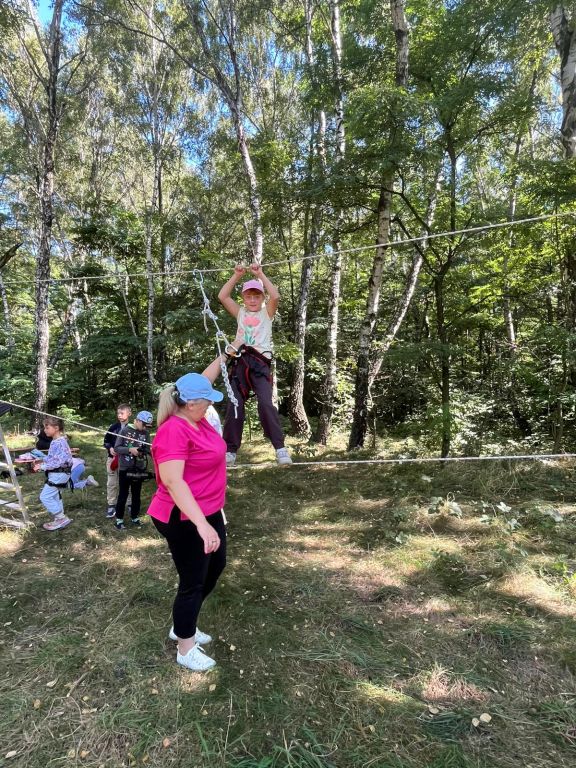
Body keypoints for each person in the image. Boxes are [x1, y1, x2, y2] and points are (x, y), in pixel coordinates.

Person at [147, 357, 227, 672]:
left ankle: (185, 624)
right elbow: (173, 482)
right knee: (193, 581)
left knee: (215, 567)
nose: (211, 403)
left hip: (208, 510)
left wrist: (230, 350)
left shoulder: (197, 416)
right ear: (191, 403)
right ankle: (184, 645)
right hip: (183, 517)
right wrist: (202, 525)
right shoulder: (173, 431)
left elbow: (203, 380)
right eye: (207, 400)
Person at [218, 263, 292, 466]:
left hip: (260, 364)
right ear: (243, 298)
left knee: (266, 404)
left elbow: (275, 296)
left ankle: (280, 448)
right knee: (235, 404)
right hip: (241, 361)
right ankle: (230, 450)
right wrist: (236, 275)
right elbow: (222, 296)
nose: (252, 300)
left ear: (262, 298)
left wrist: (260, 274)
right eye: (248, 296)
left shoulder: (266, 313)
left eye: (257, 296)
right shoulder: (241, 313)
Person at [32, 416, 74, 531]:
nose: (44, 430)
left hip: (59, 474)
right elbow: (54, 458)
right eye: (44, 427)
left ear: (56, 428)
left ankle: (61, 518)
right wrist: (42, 460)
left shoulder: (59, 442)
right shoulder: (56, 441)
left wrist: (42, 467)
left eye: (47, 427)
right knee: (55, 496)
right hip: (59, 474)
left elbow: (60, 462)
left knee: (45, 496)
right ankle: (59, 520)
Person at [113, 410, 152, 530]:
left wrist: (143, 451)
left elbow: (148, 449)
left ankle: (134, 516)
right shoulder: (125, 431)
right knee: (123, 493)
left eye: (147, 426)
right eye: (144, 425)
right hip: (125, 468)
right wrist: (130, 450)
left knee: (136, 493)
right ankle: (119, 519)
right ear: (138, 420)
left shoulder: (146, 433)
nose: (145, 428)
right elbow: (117, 448)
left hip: (138, 468)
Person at [103, 404, 132, 518]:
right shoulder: (113, 427)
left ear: (129, 414)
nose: (119, 415)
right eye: (118, 413)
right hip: (112, 459)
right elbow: (106, 441)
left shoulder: (132, 428)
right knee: (112, 482)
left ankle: (129, 503)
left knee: (127, 482)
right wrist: (110, 448)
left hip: (126, 460)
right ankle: (111, 504)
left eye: (122, 413)